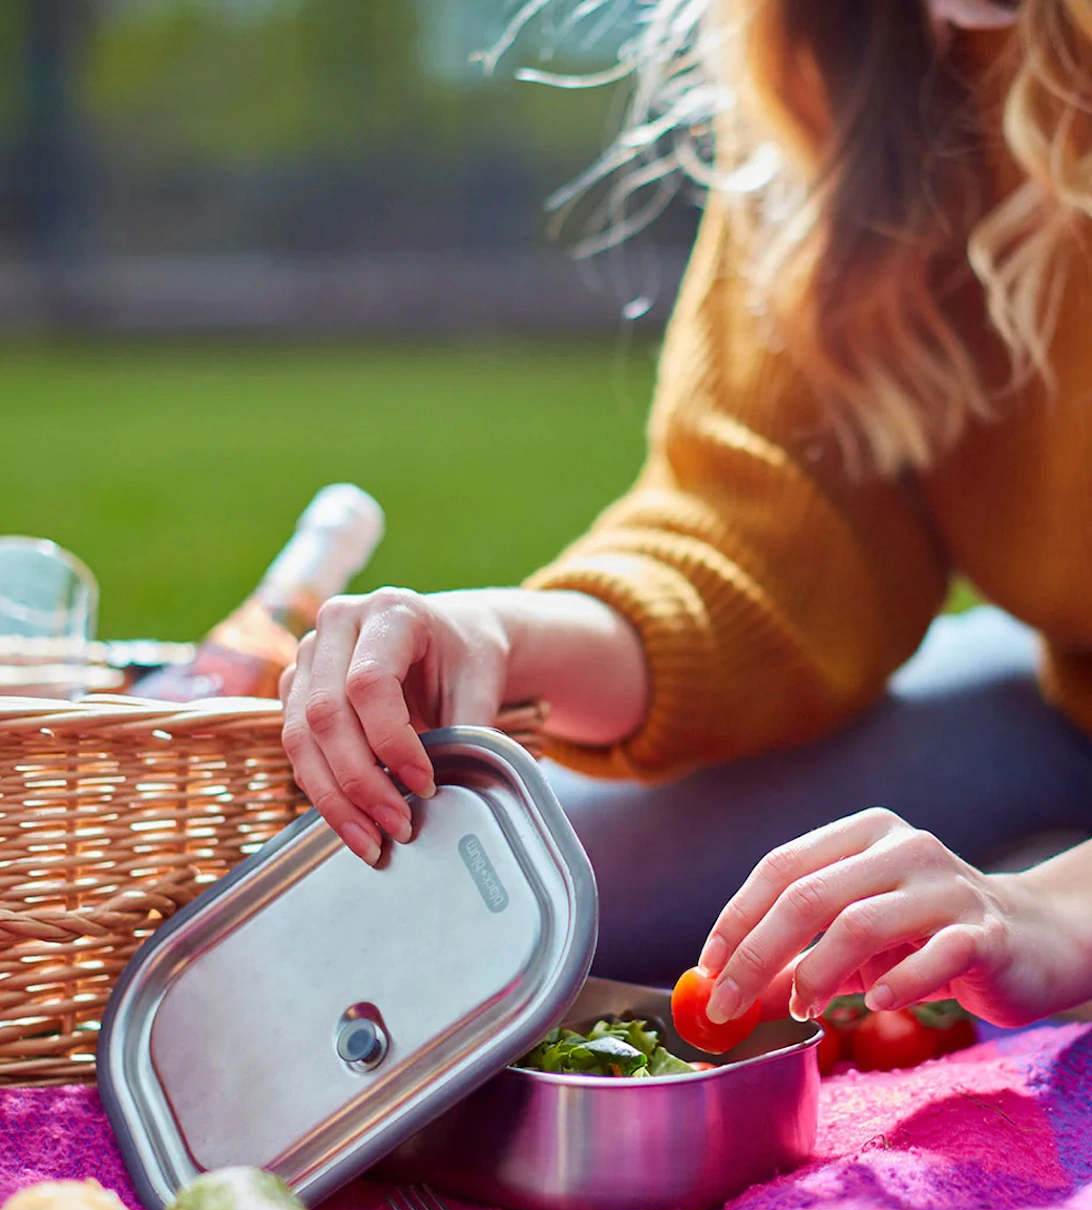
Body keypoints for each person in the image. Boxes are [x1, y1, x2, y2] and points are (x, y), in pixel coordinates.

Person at [280, 0, 1092, 1031]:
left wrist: (1050, 915)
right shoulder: (842, 55)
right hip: (1067, 702)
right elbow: (772, 541)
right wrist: (506, 633)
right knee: (471, 902)